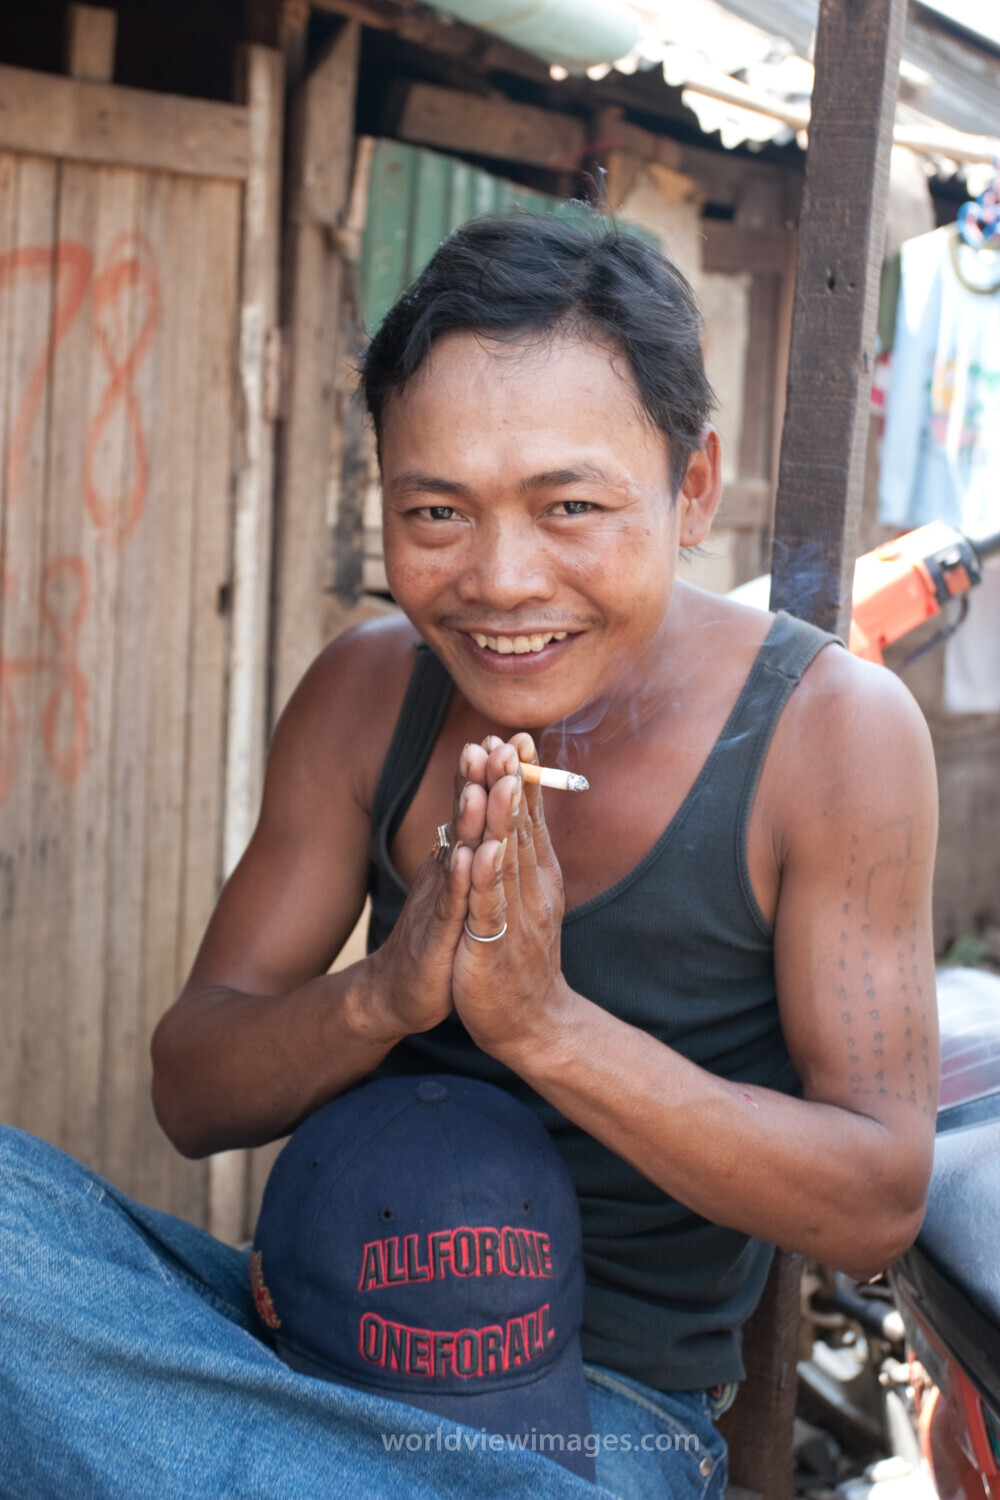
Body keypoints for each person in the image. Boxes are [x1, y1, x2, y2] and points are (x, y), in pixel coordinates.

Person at [1, 211, 938, 1499]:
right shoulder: (365, 695)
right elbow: (193, 1091)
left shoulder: (828, 735)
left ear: (695, 486)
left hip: (588, 1412)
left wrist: (546, 1025)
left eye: (571, 507)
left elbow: (877, 1194)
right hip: (310, 1339)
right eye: (435, 510)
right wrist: (386, 993)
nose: (500, 581)